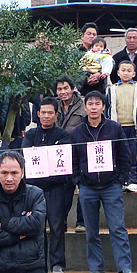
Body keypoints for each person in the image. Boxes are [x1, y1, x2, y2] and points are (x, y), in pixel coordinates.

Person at [70, 91, 134, 273]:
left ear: (104, 107)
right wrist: (77, 179)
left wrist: (121, 179)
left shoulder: (114, 128)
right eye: (90, 104)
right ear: (85, 107)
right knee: (91, 231)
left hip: (111, 186)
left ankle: (125, 267)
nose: (94, 107)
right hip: (87, 187)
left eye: (98, 103)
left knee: (117, 228)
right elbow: (73, 159)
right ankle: (96, 267)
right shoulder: (77, 132)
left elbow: (124, 154)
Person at [21, 97, 73, 273]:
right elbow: (26, 159)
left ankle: (58, 263)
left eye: (50, 113)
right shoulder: (30, 135)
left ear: (56, 115)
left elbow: (62, 164)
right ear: (38, 114)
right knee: (36, 227)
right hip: (34, 189)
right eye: (43, 113)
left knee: (57, 226)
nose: (46, 116)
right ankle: (39, 264)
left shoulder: (63, 135)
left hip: (56, 189)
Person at [106, 59, 137, 192]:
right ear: (117, 73)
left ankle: (136, 181)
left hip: (134, 128)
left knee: (135, 156)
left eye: (129, 71)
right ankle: (121, 181)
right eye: (123, 70)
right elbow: (107, 110)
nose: (126, 73)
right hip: (117, 128)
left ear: (134, 73)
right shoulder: (112, 90)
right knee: (118, 155)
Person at [53, 75, 86, 232]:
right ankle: (61, 222)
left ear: (73, 89)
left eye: (66, 88)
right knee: (63, 192)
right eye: (59, 89)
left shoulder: (83, 105)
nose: (63, 92)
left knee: (83, 189)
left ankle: (81, 222)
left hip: (80, 154)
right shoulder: (54, 106)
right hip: (61, 156)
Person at [77, 22, 105, 97]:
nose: (92, 36)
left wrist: (99, 74)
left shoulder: (103, 52)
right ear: (82, 36)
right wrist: (86, 79)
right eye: (89, 34)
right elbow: (71, 71)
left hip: (100, 92)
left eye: (94, 35)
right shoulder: (75, 53)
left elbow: (111, 65)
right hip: (81, 93)